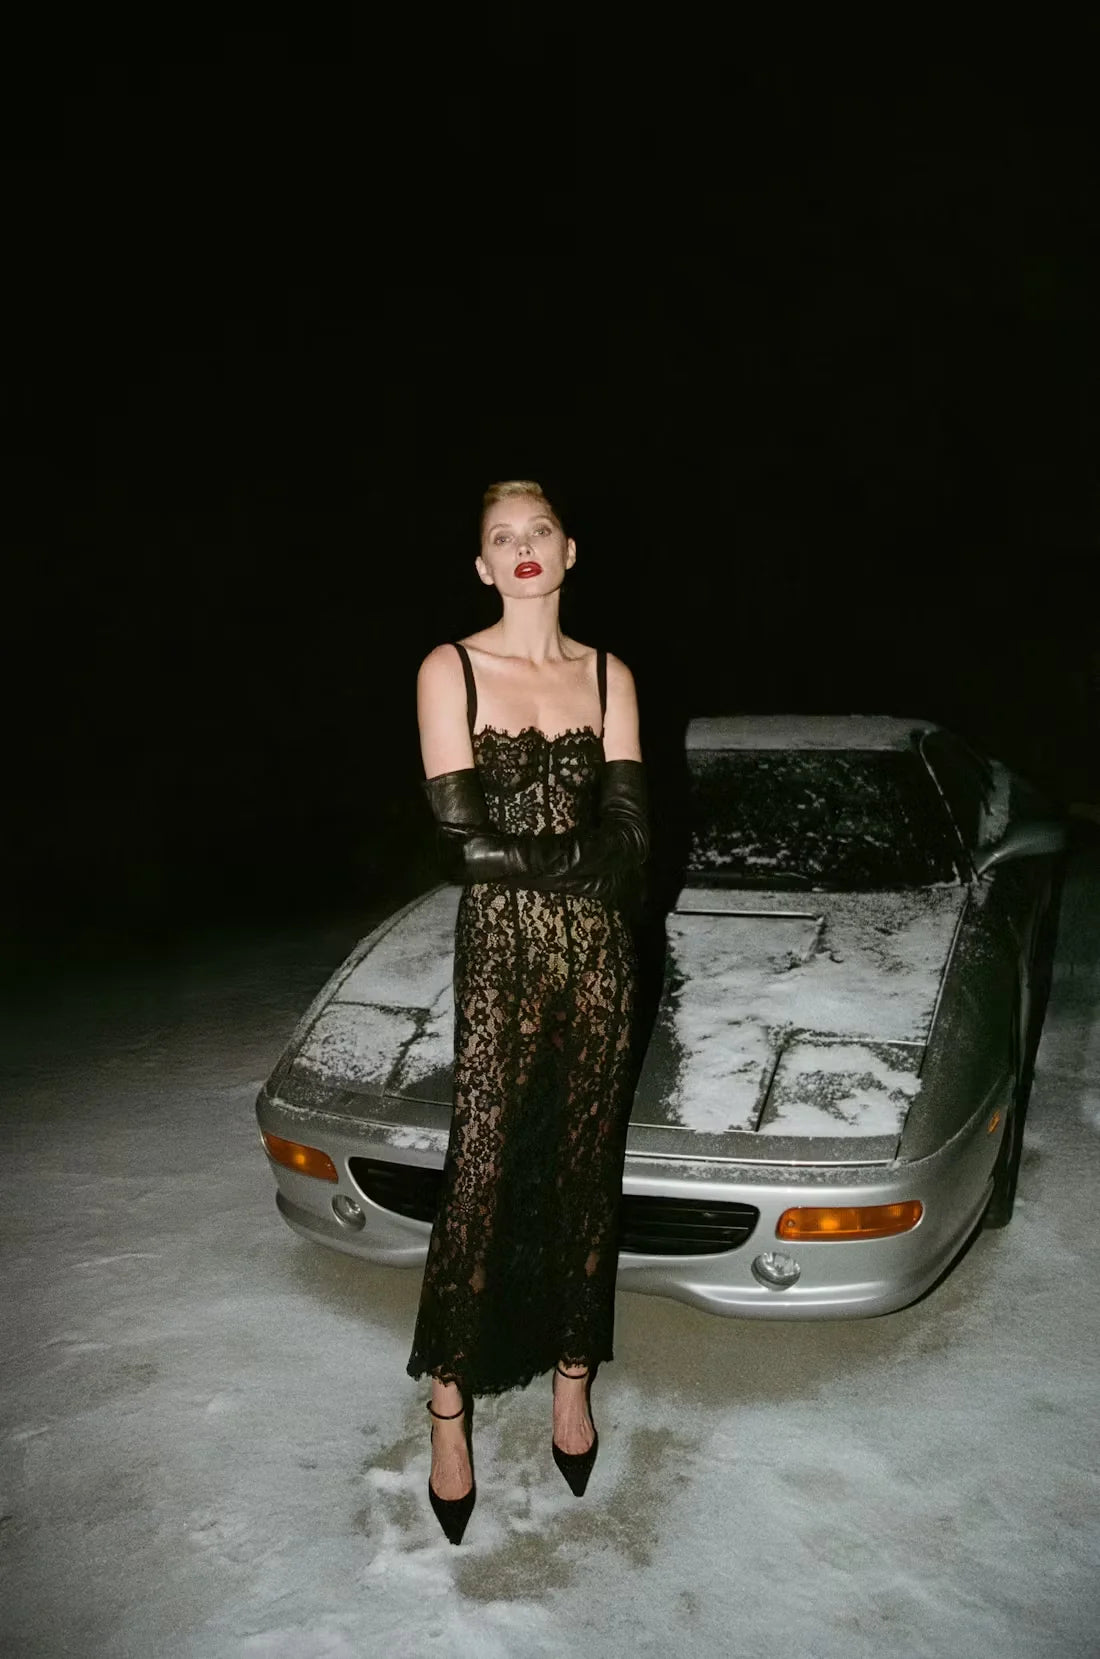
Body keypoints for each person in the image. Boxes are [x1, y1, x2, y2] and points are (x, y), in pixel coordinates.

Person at [406, 479, 649, 1544]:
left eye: (537, 531)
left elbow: (635, 844)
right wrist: (582, 862)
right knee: (481, 1170)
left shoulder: (608, 674)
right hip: (502, 958)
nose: (521, 549)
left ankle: (571, 1378)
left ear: (569, 549)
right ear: (481, 564)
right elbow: (464, 846)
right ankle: (447, 1407)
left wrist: (554, 862)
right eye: (500, 537)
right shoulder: (449, 669)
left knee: (586, 1165)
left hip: (601, 960)